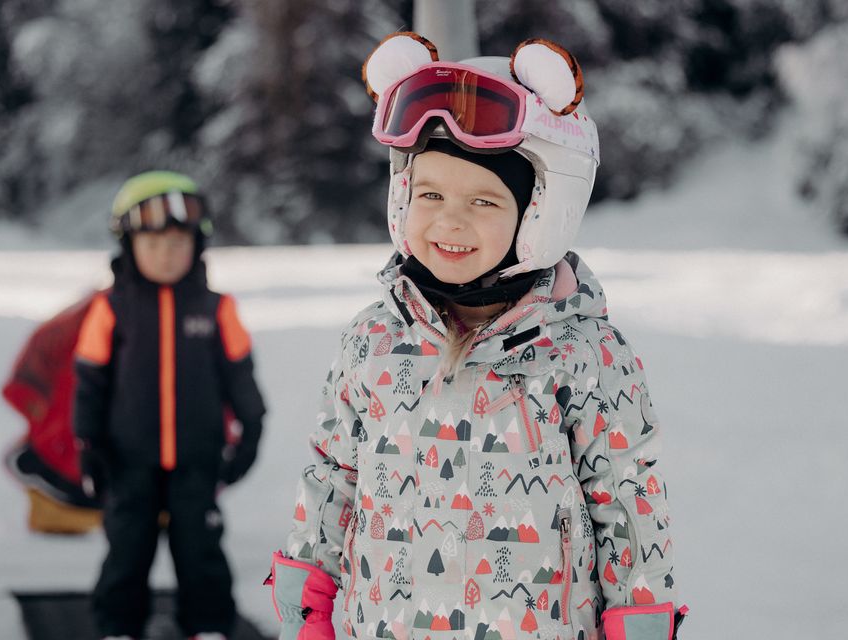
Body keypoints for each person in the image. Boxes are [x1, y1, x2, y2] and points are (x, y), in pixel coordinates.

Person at [266, 33, 686, 640]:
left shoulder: (582, 353)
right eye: (430, 193)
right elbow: (333, 477)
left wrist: (639, 624)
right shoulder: (372, 340)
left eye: (485, 201)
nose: (450, 219)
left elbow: (627, 501)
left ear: (541, 213)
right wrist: (306, 601)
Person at [74, 170, 267, 640]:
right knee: (127, 552)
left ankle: (208, 627)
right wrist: (89, 443)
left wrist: (251, 428)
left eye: (179, 244)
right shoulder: (110, 308)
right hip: (127, 460)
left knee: (201, 551)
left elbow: (241, 377)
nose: (167, 255)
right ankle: (118, 627)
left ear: (197, 247)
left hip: (197, 461)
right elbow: (89, 383)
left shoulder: (217, 308)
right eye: (154, 244)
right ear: (129, 245)